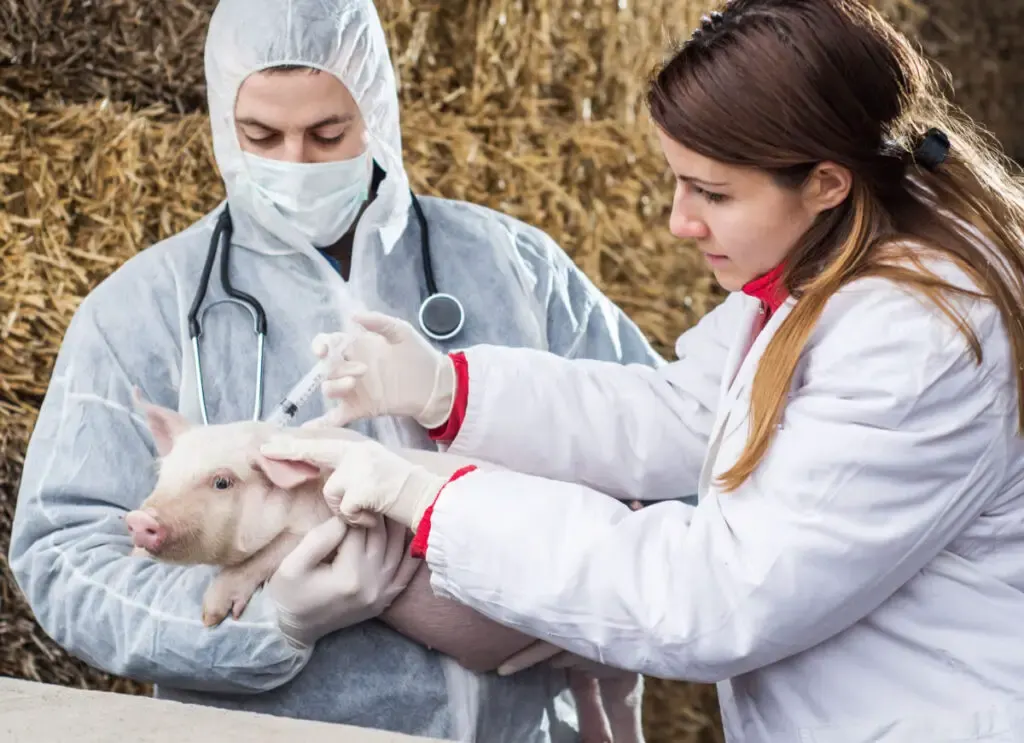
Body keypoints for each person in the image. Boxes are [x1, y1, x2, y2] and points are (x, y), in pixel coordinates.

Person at [257, 0, 1024, 740]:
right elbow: (683, 409)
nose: (678, 221)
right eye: (678, 181)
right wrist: (450, 388)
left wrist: (431, 499)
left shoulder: (919, 337)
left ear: (826, 181)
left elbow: (718, 595)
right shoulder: (830, 265)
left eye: (712, 193)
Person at [6, 0, 663, 740]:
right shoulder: (141, 309)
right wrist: (270, 618)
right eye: (262, 135)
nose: (296, 162)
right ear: (225, 124)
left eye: (328, 133)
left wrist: (610, 597)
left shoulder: (514, 265)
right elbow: (64, 557)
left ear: (376, 111)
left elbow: (671, 440)